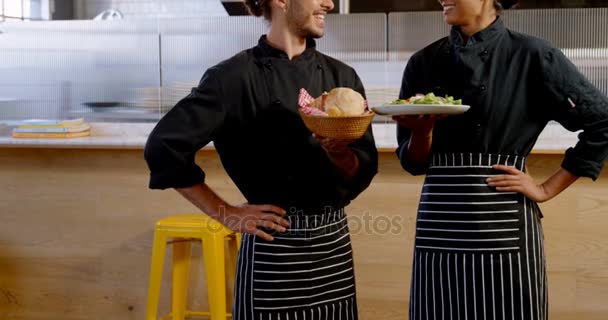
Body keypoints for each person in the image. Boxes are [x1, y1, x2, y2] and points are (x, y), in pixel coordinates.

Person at [143, 0, 378, 318]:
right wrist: (225, 213)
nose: (330, 2)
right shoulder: (232, 78)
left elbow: (361, 171)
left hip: (332, 249)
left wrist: (338, 150)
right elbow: (163, 148)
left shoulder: (342, 77)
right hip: (273, 251)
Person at [394, 0, 608, 319]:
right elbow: (413, 163)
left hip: (503, 222)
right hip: (439, 224)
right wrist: (423, 133)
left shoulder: (532, 55)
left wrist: (546, 189)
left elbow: (601, 121)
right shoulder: (423, 62)